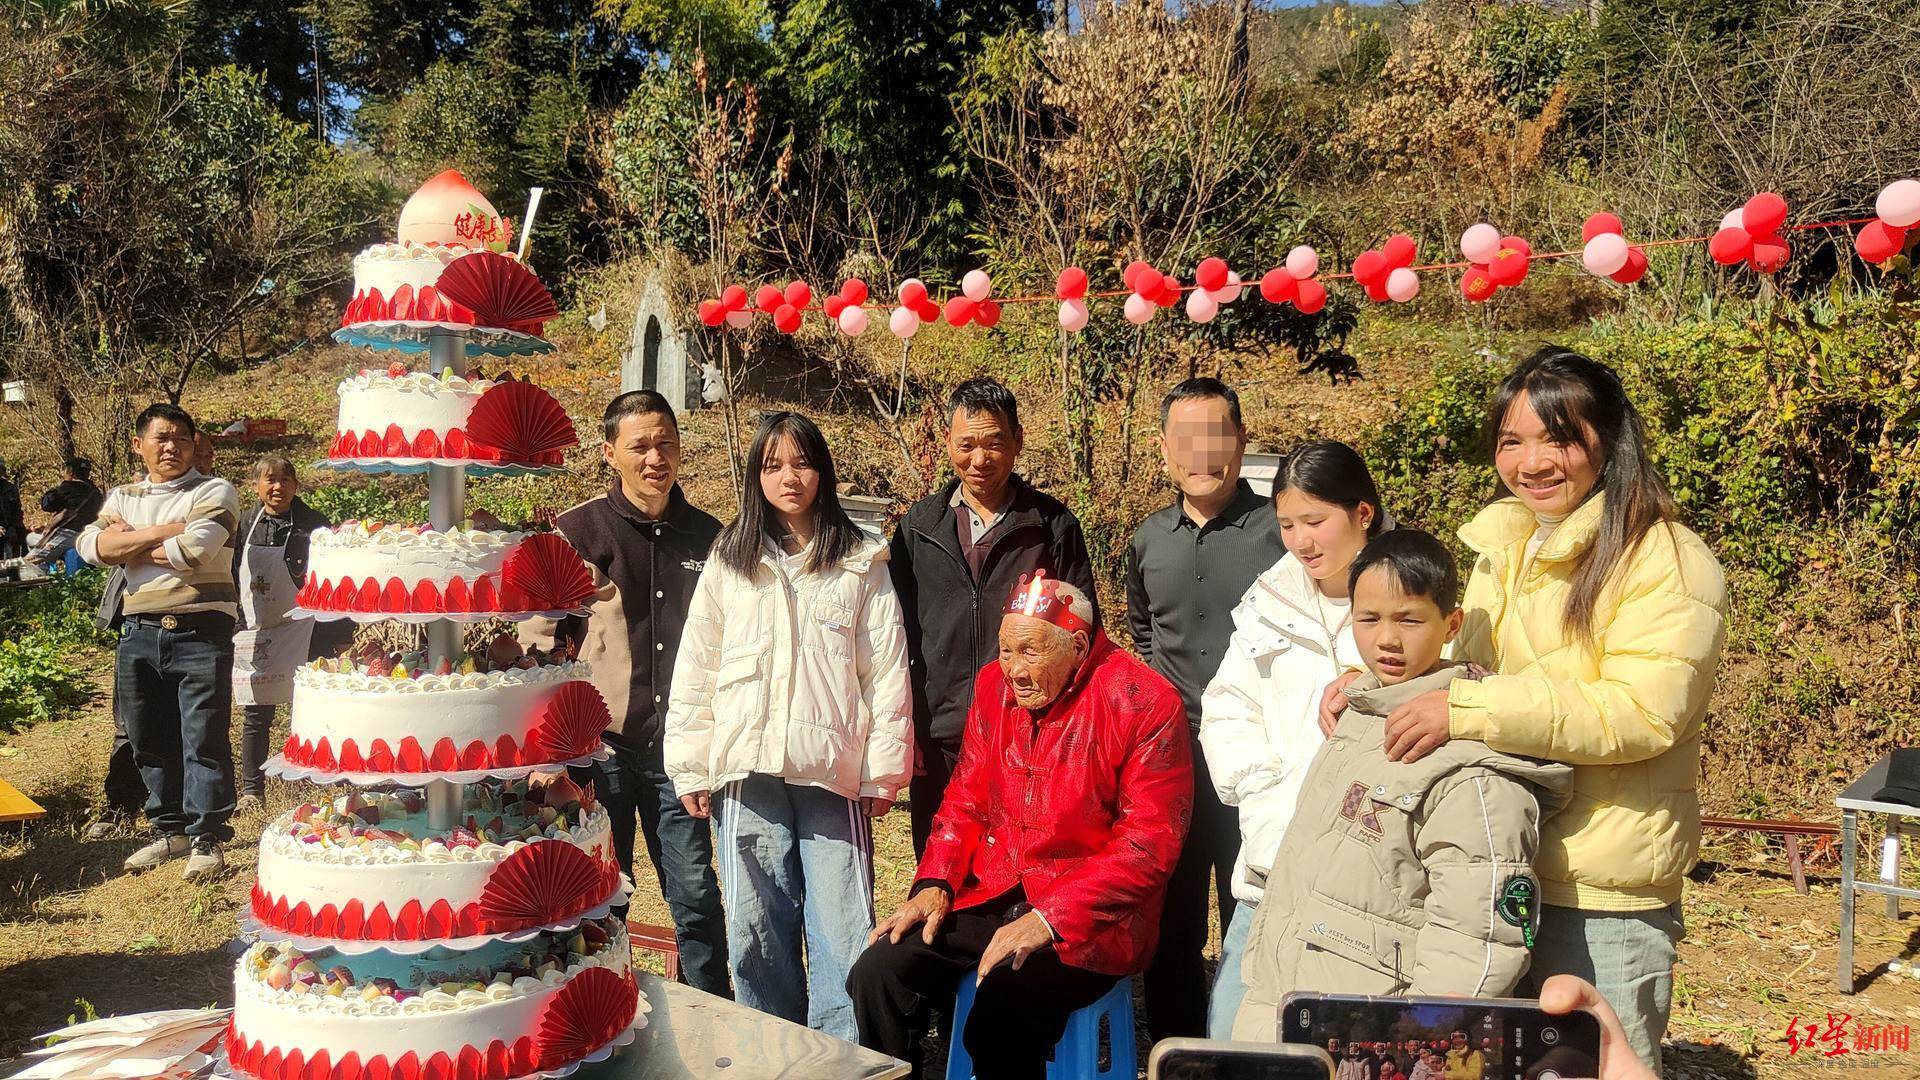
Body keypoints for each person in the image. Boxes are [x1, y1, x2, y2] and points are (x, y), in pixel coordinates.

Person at [1321, 349, 1728, 1072]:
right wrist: (1374, 685)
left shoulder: (1665, 559)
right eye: (1512, 441)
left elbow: (1642, 711)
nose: (1532, 462)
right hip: (1492, 874)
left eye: (1558, 438)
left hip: (1596, 892)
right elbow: (1463, 668)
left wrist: (1465, 709)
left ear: (1608, 438)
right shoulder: (1505, 547)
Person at [848, 574, 1191, 1080]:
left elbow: (1148, 844)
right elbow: (966, 800)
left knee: (1003, 1011)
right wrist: (935, 882)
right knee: (880, 971)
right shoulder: (994, 686)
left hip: (1092, 917)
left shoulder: (1144, 702)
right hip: (997, 887)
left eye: (1030, 651)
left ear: (1077, 647)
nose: (1014, 670)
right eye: (1006, 651)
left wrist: (1051, 918)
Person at [1232, 530, 1572, 1039]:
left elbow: (1475, 940)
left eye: (1409, 619)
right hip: (1291, 1004)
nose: (1387, 639)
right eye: (1369, 619)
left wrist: (1421, 1044)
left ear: (1451, 623)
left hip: (1370, 1037)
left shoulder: (1471, 768)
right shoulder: (1358, 715)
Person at [664, 410, 911, 1039]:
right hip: (746, 768)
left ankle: (837, 1058)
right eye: (773, 466)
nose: (789, 478)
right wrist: (690, 764)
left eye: (801, 463)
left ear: (822, 470)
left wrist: (883, 771)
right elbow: (698, 664)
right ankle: (769, 1052)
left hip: (832, 772)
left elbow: (884, 668)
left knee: (841, 926)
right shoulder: (731, 557)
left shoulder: (860, 558)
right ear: (756, 476)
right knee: (755, 928)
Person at [522, 390, 731, 996]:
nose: (654, 458)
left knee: (694, 894)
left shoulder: (710, 537)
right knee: (601, 891)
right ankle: (601, 1002)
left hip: (679, 752)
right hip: (601, 748)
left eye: (666, 443)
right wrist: (547, 746)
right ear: (609, 452)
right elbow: (537, 643)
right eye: (639, 446)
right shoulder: (577, 532)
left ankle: (711, 1006)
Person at [1197, 440, 1386, 1038]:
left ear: (1362, 513)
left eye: (1315, 521)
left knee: (1343, 1045)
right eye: (1286, 524)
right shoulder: (1271, 598)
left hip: (1369, 877)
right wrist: (1263, 792)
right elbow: (1227, 706)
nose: (1301, 541)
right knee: (1235, 1034)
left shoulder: (1408, 595)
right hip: (1272, 863)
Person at [1124, 377, 1283, 1040]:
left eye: (1216, 435)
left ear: (1241, 440)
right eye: (1186, 438)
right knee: (1173, 919)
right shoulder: (1148, 539)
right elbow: (1144, 631)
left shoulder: (1281, 531)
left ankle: (1249, 1047)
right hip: (1174, 763)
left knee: (1258, 911)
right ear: (1163, 447)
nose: (1202, 453)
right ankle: (1177, 1049)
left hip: (1261, 759)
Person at [889, 376, 1097, 854]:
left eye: (994, 443)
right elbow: (895, 640)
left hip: (1026, 740)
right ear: (948, 442)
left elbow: (1082, 639)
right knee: (939, 871)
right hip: (940, 742)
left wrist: (1064, 730)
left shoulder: (1052, 527)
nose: (979, 459)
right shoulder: (919, 528)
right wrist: (906, 725)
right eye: (966, 445)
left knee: (1018, 873)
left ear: (1017, 441)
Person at [77, 403, 241, 880]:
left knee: (203, 737)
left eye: (182, 439)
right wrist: (166, 531)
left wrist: (129, 545)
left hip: (201, 628)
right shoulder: (123, 495)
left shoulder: (215, 490)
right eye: (161, 438)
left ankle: (207, 837)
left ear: (194, 445)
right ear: (138, 445)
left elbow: (195, 550)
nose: (172, 447)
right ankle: (169, 831)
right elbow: (90, 548)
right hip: (139, 629)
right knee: (147, 736)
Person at [229, 455, 349, 811]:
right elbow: (232, 574)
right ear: (256, 486)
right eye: (269, 480)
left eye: (285, 480)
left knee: (312, 705)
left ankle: (320, 781)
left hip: (307, 630)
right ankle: (252, 790)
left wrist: (341, 632)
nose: (277, 487)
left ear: (296, 485)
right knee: (256, 711)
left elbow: (335, 579)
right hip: (257, 628)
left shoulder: (314, 525)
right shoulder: (245, 523)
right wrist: (235, 621)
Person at [32, 457, 105, 570]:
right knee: (31, 538)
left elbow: (46, 505)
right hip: (88, 535)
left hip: (69, 533)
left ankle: (43, 576)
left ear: (70, 472)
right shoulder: (96, 493)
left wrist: (56, 488)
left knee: (33, 561)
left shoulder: (67, 487)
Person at [0, 456, 26, 558]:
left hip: (10, 527)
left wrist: (13, 527)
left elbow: (17, 511)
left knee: (25, 537)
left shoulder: (11, 488)